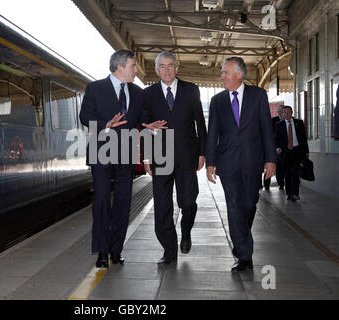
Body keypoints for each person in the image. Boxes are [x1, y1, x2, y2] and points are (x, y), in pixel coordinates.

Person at [206, 57, 276, 272]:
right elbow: (213, 134)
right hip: (227, 163)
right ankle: (244, 255)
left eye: (225, 72)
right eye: (222, 72)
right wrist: (211, 163)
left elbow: (266, 128)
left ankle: (241, 239)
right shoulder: (217, 101)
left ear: (239, 74)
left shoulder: (258, 95)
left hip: (252, 161)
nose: (222, 76)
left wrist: (270, 159)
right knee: (234, 206)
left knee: (249, 204)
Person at [79, 50, 144, 268]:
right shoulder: (95, 88)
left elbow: (142, 119)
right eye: (133, 66)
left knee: (124, 202)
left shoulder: (137, 92)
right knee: (102, 202)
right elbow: (85, 117)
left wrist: (148, 126)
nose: (136, 70)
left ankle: (117, 250)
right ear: (119, 67)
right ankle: (102, 252)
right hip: (101, 152)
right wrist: (106, 124)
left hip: (126, 152)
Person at [141, 51, 207, 264]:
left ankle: (186, 231)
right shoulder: (148, 94)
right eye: (162, 66)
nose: (166, 70)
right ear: (156, 69)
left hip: (187, 155)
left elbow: (200, 124)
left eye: (170, 66)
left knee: (187, 202)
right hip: (160, 157)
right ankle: (169, 251)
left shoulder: (191, 90)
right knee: (162, 206)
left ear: (177, 68)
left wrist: (203, 152)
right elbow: (146, 127)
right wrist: (146, 157)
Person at [275, 106, 309, 201]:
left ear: (292, 112)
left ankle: (295, 194)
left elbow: (303, 138)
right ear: (282, 114)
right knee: (287, 173)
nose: (286, 114)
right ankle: (288, 193)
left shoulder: (299, 123)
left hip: (297, 151)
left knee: (295, 172)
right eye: (284, 112)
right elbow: (276, 139)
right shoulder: (279, 125)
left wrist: (306, 151)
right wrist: (277, 148)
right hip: (285, 152)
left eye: (288, 112)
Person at [263, 104, 285, 190]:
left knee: (280, 167)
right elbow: (269, 134)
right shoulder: (273, 121)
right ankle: (266, 184)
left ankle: (281, 184)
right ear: (278, 112)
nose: (282, 113)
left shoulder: (288, 120)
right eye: (281, 111)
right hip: (272, 147)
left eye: (284, 111)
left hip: (284, 148)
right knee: (269, 165)